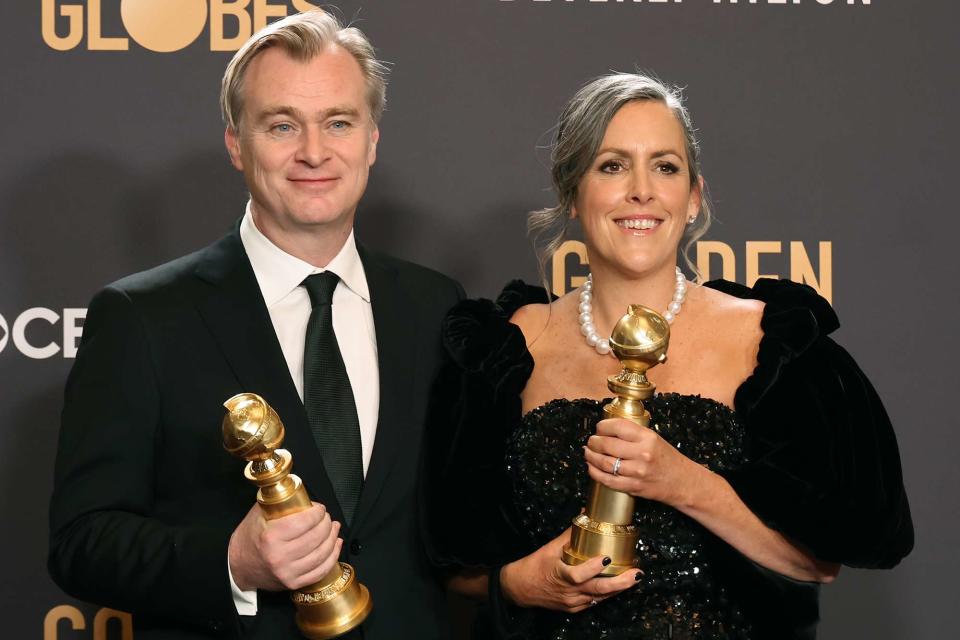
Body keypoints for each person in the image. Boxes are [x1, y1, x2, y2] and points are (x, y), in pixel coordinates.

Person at [424, 72, 913, 639]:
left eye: (665, 166)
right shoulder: (506, 348)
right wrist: (517, 583)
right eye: (612, 166)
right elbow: (450, 567)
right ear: (572, 195)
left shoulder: (769, 344)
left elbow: (818, 564)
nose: (642, 190)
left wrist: (683, 481)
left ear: (693, 195)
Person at [48, 9, 460, 640]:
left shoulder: (437, 306)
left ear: (372, 140)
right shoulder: (143, 317)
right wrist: (232, 563)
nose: (314, 151)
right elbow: (82, 540)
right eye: (281, 125)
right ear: (236, 144)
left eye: (339, 123)